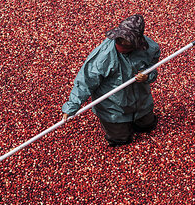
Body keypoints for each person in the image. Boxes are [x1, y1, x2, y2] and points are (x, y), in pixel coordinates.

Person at [61, 14, 161, 147]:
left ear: (136, 44)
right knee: (121, 139)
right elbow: (86, 80)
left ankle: (139, 121)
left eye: (126, 45)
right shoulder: (104, 55)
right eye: (119, 42)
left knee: (147, 126)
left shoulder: (150, 48)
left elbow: (152, 67)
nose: (121, 47)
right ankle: (118, 130)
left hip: (140, 99)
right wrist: (72, 105)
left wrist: (147, 76)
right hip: (113, 106)